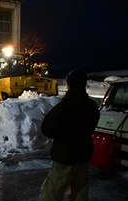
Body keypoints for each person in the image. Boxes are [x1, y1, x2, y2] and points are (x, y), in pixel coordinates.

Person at [40, 69, 100, 201]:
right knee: (80, 193)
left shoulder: (64, 106)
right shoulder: (91, 106)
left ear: (70, 85)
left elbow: (47, 129)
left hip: (64, 156)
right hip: (83, 155)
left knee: (52, 192)